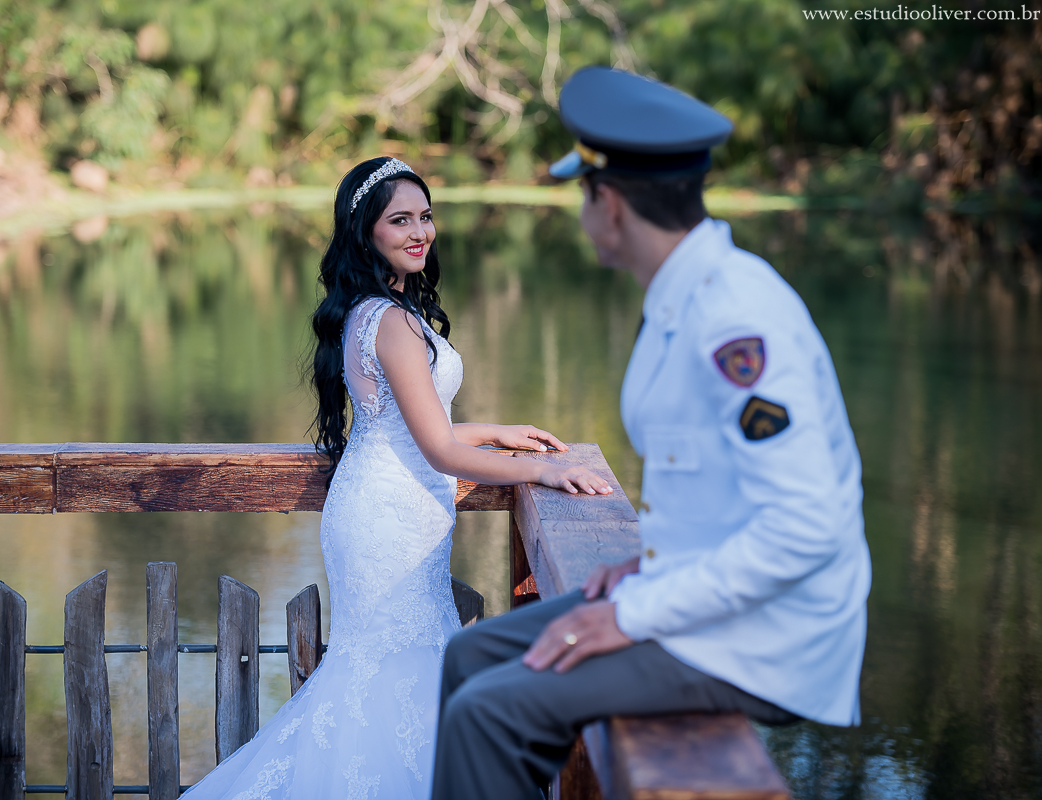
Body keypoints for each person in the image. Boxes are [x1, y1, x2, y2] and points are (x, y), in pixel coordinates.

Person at [430, 67, 872, 800]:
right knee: (472, 659)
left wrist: (633, 613)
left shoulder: (734, 320)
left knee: (489, 714)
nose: (581, 213)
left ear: (608, 204)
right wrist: (645, 569)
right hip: (703, 596)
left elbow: (805, 529)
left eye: (583, 195)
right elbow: (707, 483)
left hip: (767, 635)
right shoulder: (680, 297)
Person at [181, 157, 611, 799]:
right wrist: (545, 469)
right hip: (388, 522)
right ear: (368, 233)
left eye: (425, 216)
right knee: (388, 675)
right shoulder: (391, 320)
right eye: (400, 220)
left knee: (396, 672)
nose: (420, 232)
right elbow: (437, 449)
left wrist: (496, 430)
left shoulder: (373, 310)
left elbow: (400, 426)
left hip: (386, 505)